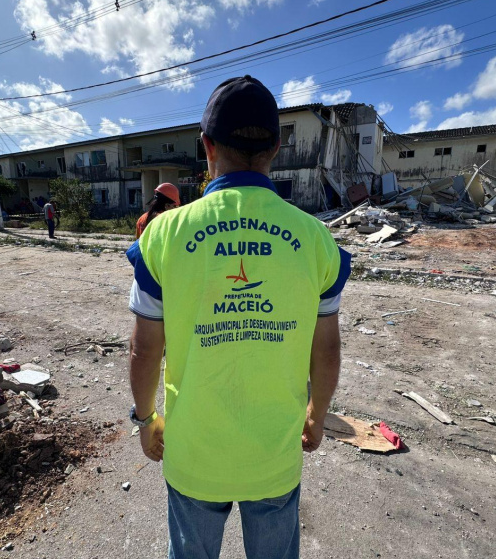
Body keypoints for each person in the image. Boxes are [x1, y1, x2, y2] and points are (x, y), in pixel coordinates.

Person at [126, 75, 350, 559]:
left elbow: (145, 349)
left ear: (207, 146)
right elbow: (327, 347)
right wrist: (318, 413)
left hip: (193, 454)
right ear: (276, 147)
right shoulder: (315, 239)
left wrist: (145, 418)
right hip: (273, 457)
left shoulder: (163, 235)